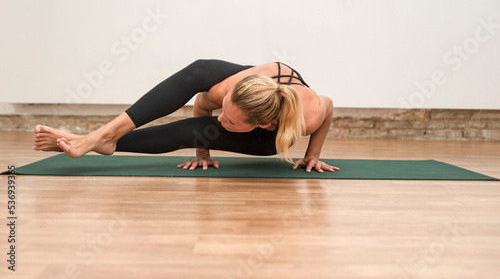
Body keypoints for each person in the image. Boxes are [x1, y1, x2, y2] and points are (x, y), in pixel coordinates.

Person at [33, 59, 339, 173]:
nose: (220, 119)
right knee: (199, 71)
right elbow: (203, 105)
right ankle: (103, 137)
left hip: (270, 136)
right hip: (261, 86)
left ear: (262, 123)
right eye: (225, 111)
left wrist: (312, 154)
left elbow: (329, 108)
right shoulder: (227, 91)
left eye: (230, 121)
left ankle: (103, 141)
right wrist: (202, 153)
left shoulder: (307, 117)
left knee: (194, 129)